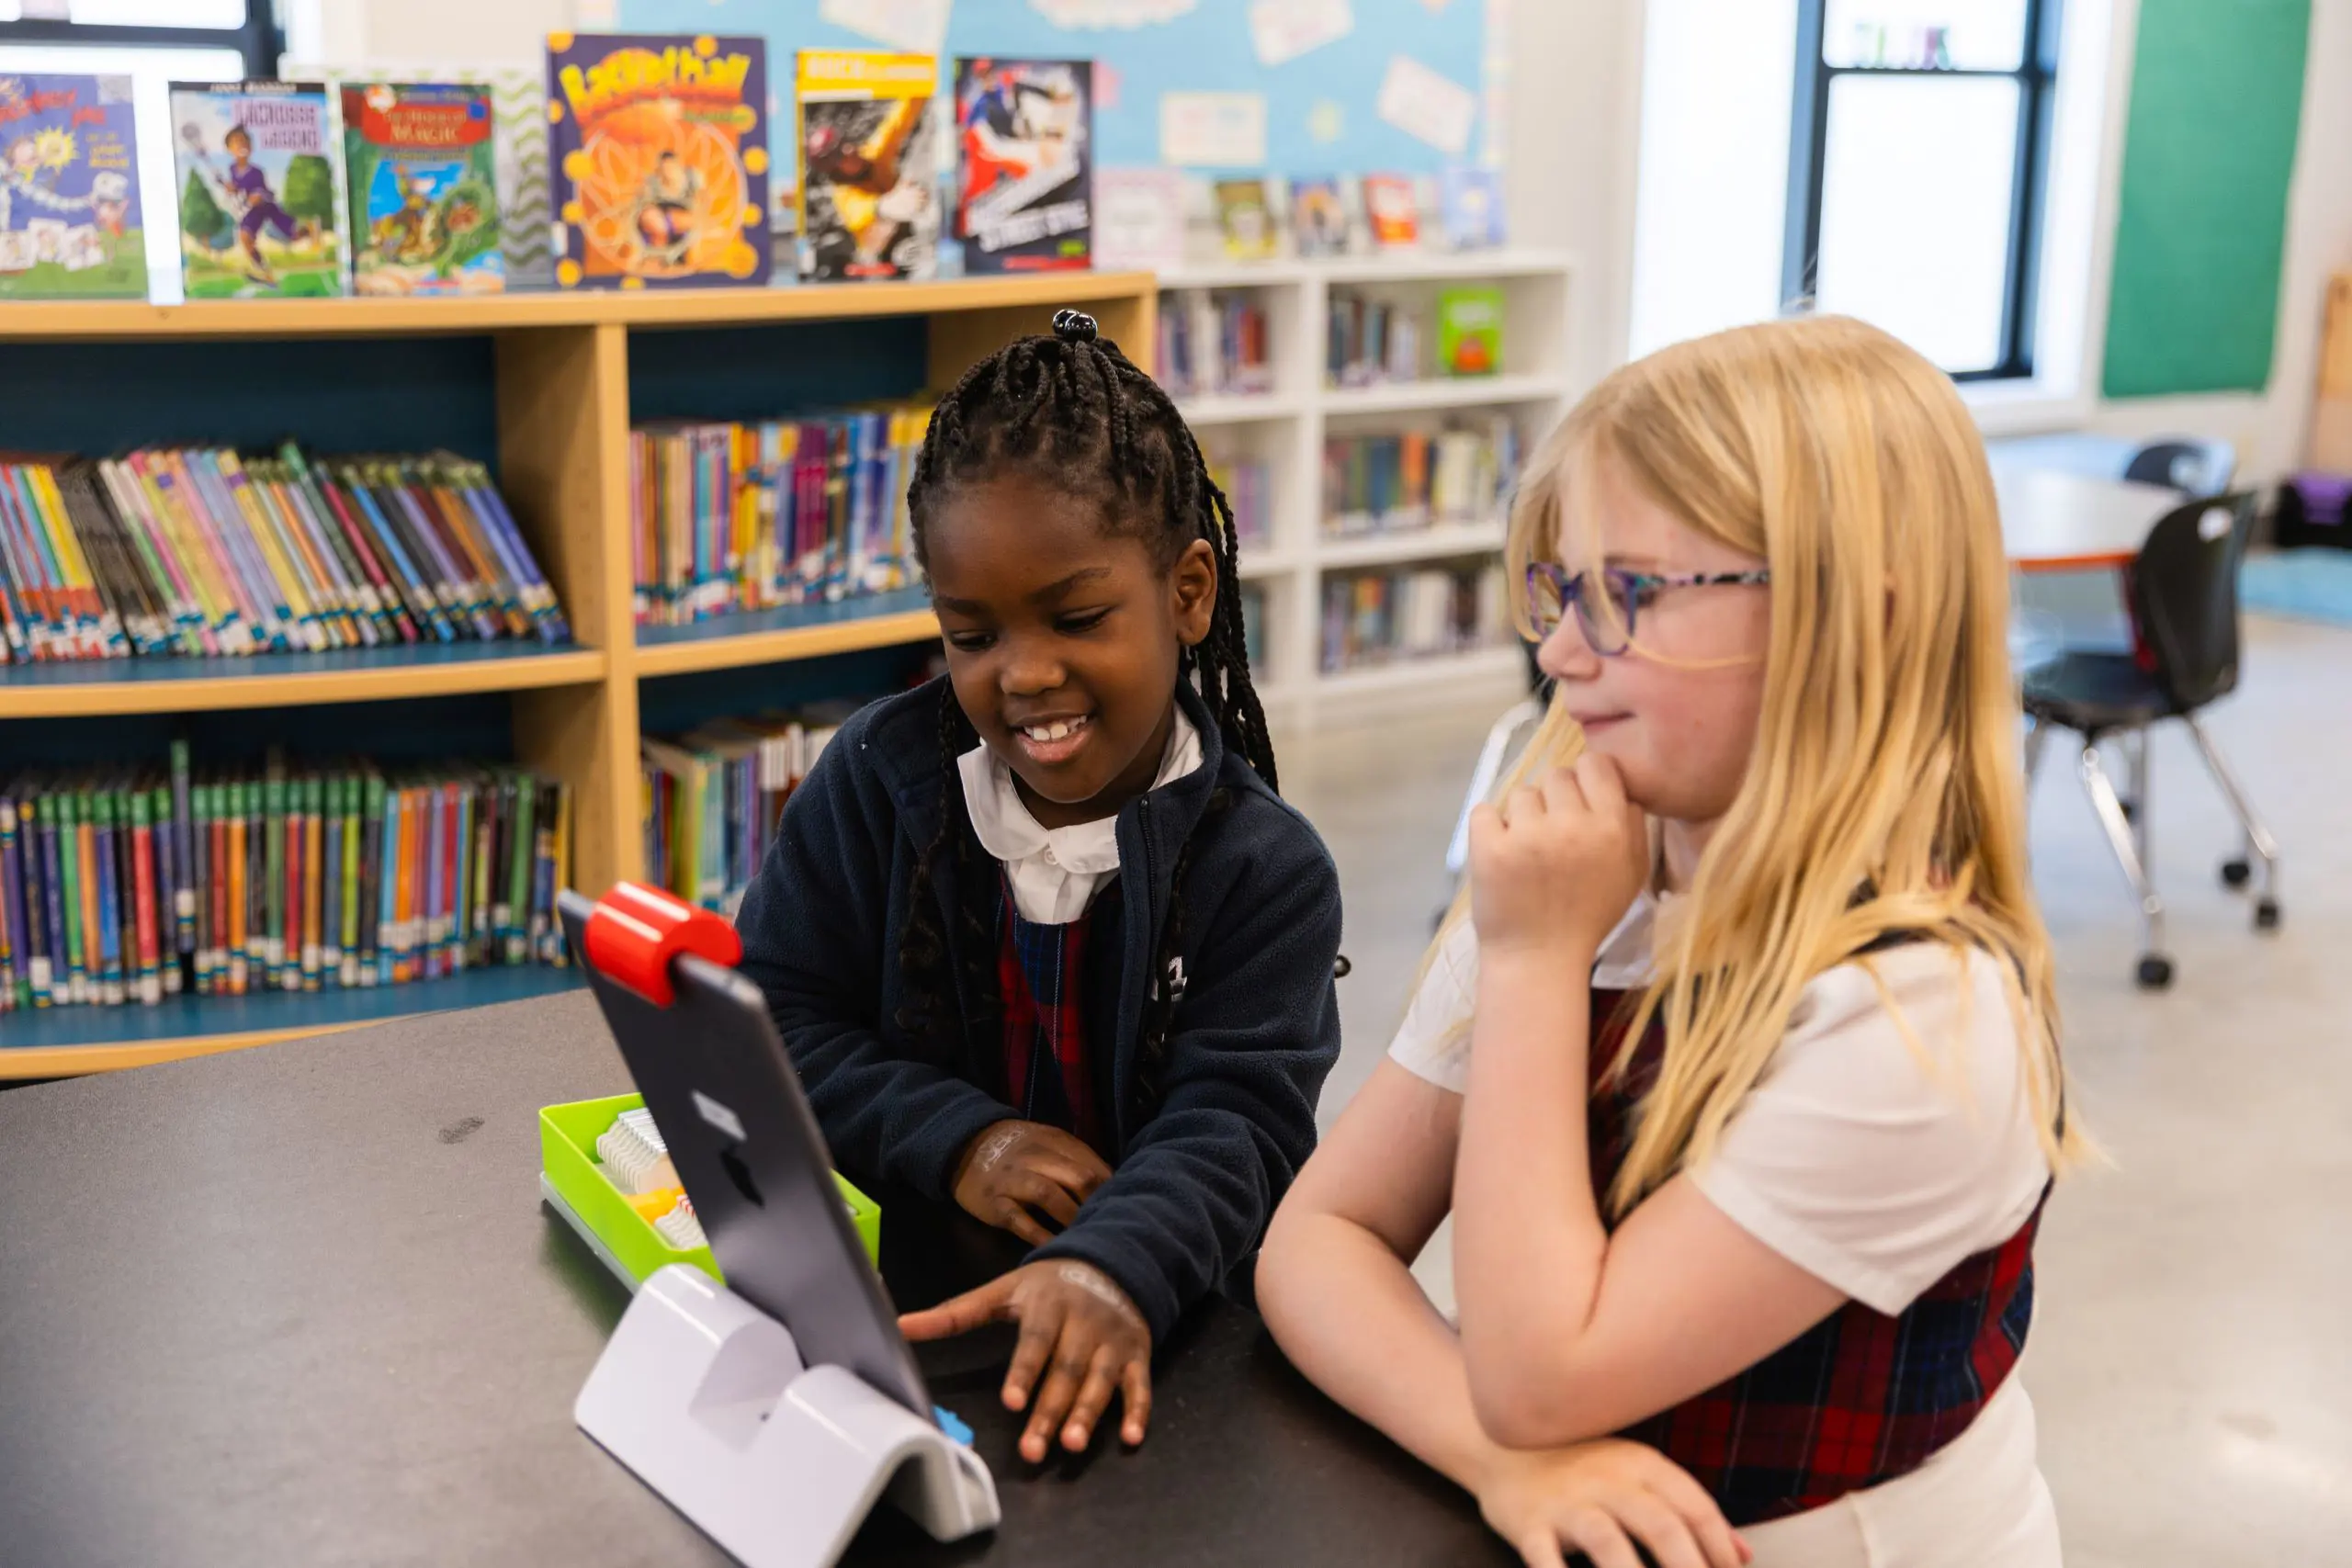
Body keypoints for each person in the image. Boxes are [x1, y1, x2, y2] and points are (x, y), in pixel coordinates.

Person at [1257, 314, 2086, 1568]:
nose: (1558, 651)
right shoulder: (1590, 870)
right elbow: (1320, 1241)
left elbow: (1540, 1372)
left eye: (1629, 593)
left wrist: (1535, 961)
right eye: (1560, 588)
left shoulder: (1922, 1019)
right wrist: (1500, 1461)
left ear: (1849, 620)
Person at [735, 309, 1343, 1468]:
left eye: (1075, 619)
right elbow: (776, 1021)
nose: (1023, 674)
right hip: (905, 1326)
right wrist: (960, 1140)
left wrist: (1106, 1261)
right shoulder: (874, 781)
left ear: (1190, 591)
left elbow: (1238, 1128)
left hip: (1157, 1341)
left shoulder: (1265, 871)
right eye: (971, 636)